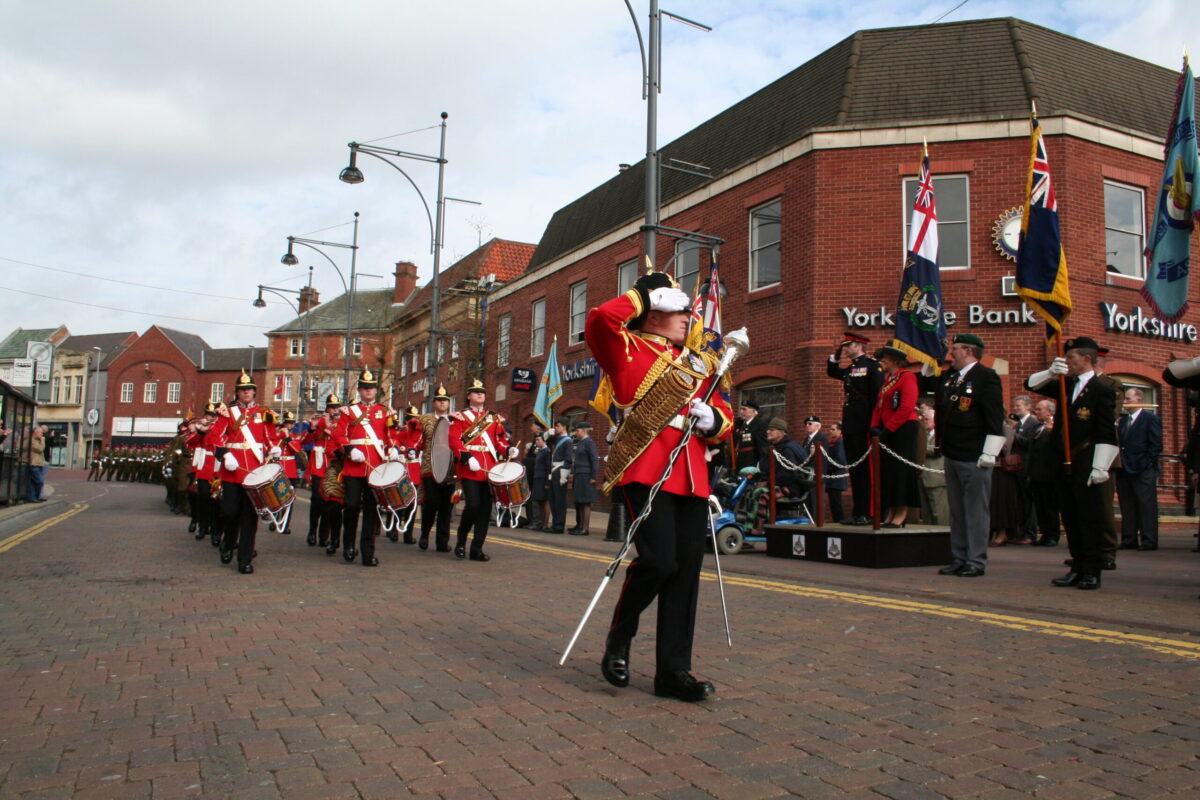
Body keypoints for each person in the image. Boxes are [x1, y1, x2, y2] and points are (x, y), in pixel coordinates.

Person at [586, 270, 734, 702]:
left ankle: (673, 671)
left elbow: (721, 411)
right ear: (654, 315)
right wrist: (643, 293)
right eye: (680, 310)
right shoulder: (626, 347)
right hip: (645, 469)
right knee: (659, 561)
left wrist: (714, 422)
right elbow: (598, 320)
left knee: (685, 573)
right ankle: (620, 635)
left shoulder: (695, 362)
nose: (690, 317)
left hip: (690, 475)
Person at [1026, 336, 1119, 590]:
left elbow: (1106, 431)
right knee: (1071, 518)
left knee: (1090, 519)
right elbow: (1031, 384)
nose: (1067, 361)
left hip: (1086, 459)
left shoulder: (1102, 389)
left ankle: (1092, 570)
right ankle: (1077, 567)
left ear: (1086, 359)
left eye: (1071, 357)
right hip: (1063, 462)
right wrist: (1050, 371)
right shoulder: (1066, 384)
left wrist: (1101, 467)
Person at [935, 333, 1004, 578]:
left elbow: (995, 418)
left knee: (975, 511)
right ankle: (959, 556)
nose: (951, 353)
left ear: (969, 351)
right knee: (958, 511)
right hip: (953, 451)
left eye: (955, 349)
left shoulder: (986, 377)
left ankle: (975, 560)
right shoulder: (951, 377)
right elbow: (926, 381)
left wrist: (990, 452)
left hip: (974, 453)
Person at [209, 371, 282, 574]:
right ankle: (229, 542)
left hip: (255, 473)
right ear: (238, 393)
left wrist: (275, 448)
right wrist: (225, 455)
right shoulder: (227, 413)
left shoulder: (264, 413)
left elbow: (270, 438)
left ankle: (245, 559)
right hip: (233, 471)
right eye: (242, 390)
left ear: (254, 392)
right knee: (231, 512)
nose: (246, 393)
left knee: (250, 516)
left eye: (249, 389)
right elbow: (215, 437)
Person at [332, 367, 399, 567]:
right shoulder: (349, 412)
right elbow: (339, 435)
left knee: (372, 510)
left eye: (371, 388)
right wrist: (350, 449)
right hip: (354, 466)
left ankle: (368, 552)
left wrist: (393, 449)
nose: (368, 391)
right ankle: (349, 545)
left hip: (375, 467)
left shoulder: (384, 411)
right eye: (365, 388)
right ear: (359, 390)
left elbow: (391, 435)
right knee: (351, 506)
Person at [449, 378, 514, 561]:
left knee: (485, 509)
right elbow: (454, 440)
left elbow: (499, 440)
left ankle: (476, 548)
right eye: (476, 392)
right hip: (471, 467)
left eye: (483, 392)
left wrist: (509, 449)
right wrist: (467, 457)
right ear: (469, 396)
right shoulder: (460, 417)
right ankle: (461, 541)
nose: (480, 394)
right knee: (473, 505)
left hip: (489, 468)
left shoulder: (492, 417)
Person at [827, 332, 883, 525]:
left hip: (864, 422)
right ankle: (858, 511)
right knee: (855, 469)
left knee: (865, 470)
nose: (845, 348)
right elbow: (833, 372)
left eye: (848, 345)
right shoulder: (851, 367)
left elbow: (877, 396)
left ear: (859, 345)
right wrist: (834, 356)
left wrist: (875, 423)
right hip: (851, 422)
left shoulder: (872, 366)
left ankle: (867, 512)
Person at [870, 344, 919, 527]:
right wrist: (875, 427)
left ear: (895, 361)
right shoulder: (887, 380)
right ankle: (891, 510)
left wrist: (888, 429)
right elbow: (879, 406)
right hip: (887, 431)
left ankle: (902, 512)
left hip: (903, 429)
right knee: (889, 472)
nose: (882, 360)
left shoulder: (907, 377)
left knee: (901, 472)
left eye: (886, 358)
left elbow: (906, 406)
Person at [1117, 387, 1162, 551]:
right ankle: (1129, 538)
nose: (1125, 402)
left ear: (1139, 400)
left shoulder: (1150, 419)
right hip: (1125, 468)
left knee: (1146, 505)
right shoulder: (1123, 421)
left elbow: (1156, 444)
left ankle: (1149, 540)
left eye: (1128, 398)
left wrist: (1147, 463)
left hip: (1142, 468)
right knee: (1127, 505)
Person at [417, 384, 456, 552]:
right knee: (432, 502)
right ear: (434, 403)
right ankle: (425, 533)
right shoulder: (424, 419)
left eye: (445, 401)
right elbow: (417, 439)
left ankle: (442, 541)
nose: (442, 403)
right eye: (439, 400)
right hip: (429, 465)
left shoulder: (455, 420)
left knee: (446, 507)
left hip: (449, 467)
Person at [303, 394, 343, 551]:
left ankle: (324, 535)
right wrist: (312, 428)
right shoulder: (319, 421)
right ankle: (312, 530)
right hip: (319, 464)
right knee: (316, 498)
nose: (334, 410)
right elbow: (306, 441)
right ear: (327, 408)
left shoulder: (341, 423)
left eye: (336, 407)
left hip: (332, 464)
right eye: (332, 407)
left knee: (330, 500)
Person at [1026, 399, 1061, 546]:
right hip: (1036, 472)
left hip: (1049, 473)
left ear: (1050, 411)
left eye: (1040, 409)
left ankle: (1053, 535)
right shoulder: (1039, 427)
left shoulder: (1055, 426)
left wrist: (1052, 431)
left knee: (1050, 506)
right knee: (1040, 506)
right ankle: (1045, 534)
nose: (1037, 412)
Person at [1008, 395, 1040, 544]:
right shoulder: (1018, 424)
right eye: (1015, 406)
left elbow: (1030, 443)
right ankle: (1020, 532)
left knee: (1028, 502)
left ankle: (1030, 533)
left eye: (1018, 406)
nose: (1016, 408)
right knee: (1019, 501)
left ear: (1027, 406)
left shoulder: (1033, 423)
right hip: (1016, 466)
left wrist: (1015, 436)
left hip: (1026, 466)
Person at [392, 405, 424, 544]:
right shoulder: (401, 433)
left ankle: (406, 534)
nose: (413, 422)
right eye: (411, 419)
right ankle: (395, 530)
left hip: (414, 468)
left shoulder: (419, 433)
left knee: (411, 503)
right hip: (402, 467)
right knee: (399, 502)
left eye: (415, 419)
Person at [761, 418, 810, 501]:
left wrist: (767, 483)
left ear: (782, 432)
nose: (768, 432)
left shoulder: (787, 449)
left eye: (772, 430)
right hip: (782, 484)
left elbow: (789, 474)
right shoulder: (777, 447)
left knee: (758, 495)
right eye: (768, 429)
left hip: (790, 488)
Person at [917, 403, 948, 525]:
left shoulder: (941, 433)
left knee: (939, 514)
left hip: (936, 479)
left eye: (927, 419)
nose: (925, 422)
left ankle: (943, 539)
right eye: (923, 419)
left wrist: (920, 448)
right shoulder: (923, 435)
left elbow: (938, 450)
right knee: (926, 514)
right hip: (923, 477)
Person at [569, 420, 600, 535]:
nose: (576, 433)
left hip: (586, 475)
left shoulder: (589, 442)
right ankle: (580, 526)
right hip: (579, 474)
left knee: (586, 502)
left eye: (577, 430)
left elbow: (594, 460)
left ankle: (585, 528)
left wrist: (593, 476)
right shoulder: (581, 442)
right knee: (580, 501)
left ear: (583, 431)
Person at [547, 418, 573, 533]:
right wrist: (548, 433)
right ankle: (554, 524)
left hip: (560, 470)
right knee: (553, 499)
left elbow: (568, 459)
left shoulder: (568, 441)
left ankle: (559, 525)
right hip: (554, 471)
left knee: (560, 501)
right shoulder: (558, 438)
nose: (556, 428)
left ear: (564, 426)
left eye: (558, 426)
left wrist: (564, 474)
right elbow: (545, 440)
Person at [732, 400, 768, 472]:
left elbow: (763, 448)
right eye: (741, 409)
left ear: (754, 411)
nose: (741, 412)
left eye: (744, 409)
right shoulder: (738, 423)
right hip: (737, 462)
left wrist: (760, 466)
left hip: (751, 463)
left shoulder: (759, 425)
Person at [523, 420, 548, 529]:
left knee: (536, 499)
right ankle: (531, 519)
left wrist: (526, 460)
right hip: (531, 474)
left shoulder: (543, 448)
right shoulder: (534, 443)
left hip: (536, 476)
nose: (530, 427)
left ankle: (537, 521)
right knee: (530, 499)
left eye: (532, 425)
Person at [822, 422, 848, 523]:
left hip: (837, 478)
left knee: (836, 504)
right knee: (834, 504)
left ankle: (839, 522)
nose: (830, 431)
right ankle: (837, 521)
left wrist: (827, 467)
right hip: (832, 478)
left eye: (833, 429)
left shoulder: (840, 441)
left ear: (839, 430)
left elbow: (840, 460)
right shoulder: (833, 442)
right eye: (830, 429)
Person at [530, 434, 551, 532]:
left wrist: (547, 482)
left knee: (545, 501)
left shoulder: (547, 451)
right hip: (538, 478)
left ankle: (545, 524)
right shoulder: (540, 451)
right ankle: (541, 523)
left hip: (543, 478)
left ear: (544, 441)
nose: (536, 442)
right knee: (539, 501)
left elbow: (548, 468)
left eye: (538, 440)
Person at [26, 425, 48, 502]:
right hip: (34, 464)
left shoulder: (38, 441)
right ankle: (36, 496)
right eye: (41, 433)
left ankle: (32, 497)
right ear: (36, 433)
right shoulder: (32, 441)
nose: (42, 434)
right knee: (39, 481)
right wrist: (43, 441)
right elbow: (40, 449)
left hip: (39, 464)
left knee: (33, 482)